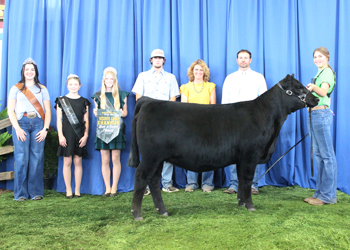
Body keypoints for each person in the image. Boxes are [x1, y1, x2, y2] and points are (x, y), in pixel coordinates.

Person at [131, 49, 180, 194]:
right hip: (149, 119)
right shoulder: (143, 76)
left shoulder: (171, 77)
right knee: (147, 151)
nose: (158, 60)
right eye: (155, 58)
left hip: (166, 119)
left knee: (168, 149)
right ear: (151, 60)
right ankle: (145, 184)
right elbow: (139, 98)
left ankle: (167, 183)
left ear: (164, 60)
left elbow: (173, 99)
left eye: (160, 58)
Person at [222, 49, 267, 195]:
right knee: (233, 151)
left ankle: (253, 184)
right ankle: (234, 184)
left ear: (250, 60)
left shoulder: (258, 77)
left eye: (245, 58)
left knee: (253, 152)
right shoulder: (230, 78)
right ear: (237, 60)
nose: (243, 60)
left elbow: (264, 100)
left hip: (252, 121)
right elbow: (225, 101)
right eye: (240, 58)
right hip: (233, 121)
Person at [7, 57, 51, 201]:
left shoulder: (42, 89)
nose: (30, 72)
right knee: (21, 159)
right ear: (23, 72)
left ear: (35, 72)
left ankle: (36, 192)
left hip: (38, 124)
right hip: (22, 124)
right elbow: (11, 110)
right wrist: (17, 128)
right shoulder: (15, 88)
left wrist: (45, 129)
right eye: (27, 69)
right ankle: (20, 194)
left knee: (37, 158)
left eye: (32, 69)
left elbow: (48, 111)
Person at [304, 47, 337, 206]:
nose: (317, 59)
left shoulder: (327, 73)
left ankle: (328, 196)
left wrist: (311, 87)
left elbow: (323, 92)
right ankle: (319, 193)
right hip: (314, 114)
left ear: (327, 57)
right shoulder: (320, 73)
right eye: (315, 57)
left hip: (321, 114)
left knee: (327, 156)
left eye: (320, 56)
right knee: (319, 155)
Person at [180, 59, 216, 193]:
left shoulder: (210, 86)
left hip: (208, 124)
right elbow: (184, 108)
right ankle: (191, 183)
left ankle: (207, 183)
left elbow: (213, 106)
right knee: (190, 153)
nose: (198, 72)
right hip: (191, 125)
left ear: (204, 72)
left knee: (209, 153)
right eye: (196, 69)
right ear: (192, 72)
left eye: (201, 70)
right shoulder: (185, 87)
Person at [92, 67, 129, 197]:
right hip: (103, 130)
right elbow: (96, 113)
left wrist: (118, 113)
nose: (109, 80)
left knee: (116, 159)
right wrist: (96, 112)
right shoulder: (97, 96)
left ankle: (114, 188)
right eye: (107, 78)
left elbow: (125, 113)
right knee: (105, 160)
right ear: (103, 80)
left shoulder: (122, 94)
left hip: (116, 130)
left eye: (111, 78)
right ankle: (107, 188)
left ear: (114, 80)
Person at [55, 74, 90, 199]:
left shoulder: (84, 101)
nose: (73, 86)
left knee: (78, 161)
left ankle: (77, 190)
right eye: (71, 84)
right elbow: (59, 120)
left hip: (79, 133)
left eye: (76, 84)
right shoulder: (61, 101)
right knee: (67, 161)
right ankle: (68, 190)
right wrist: (60, 135)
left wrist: (85, 136)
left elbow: (86, 121)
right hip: (66, 133)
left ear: (80, 86)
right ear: (67, 86)